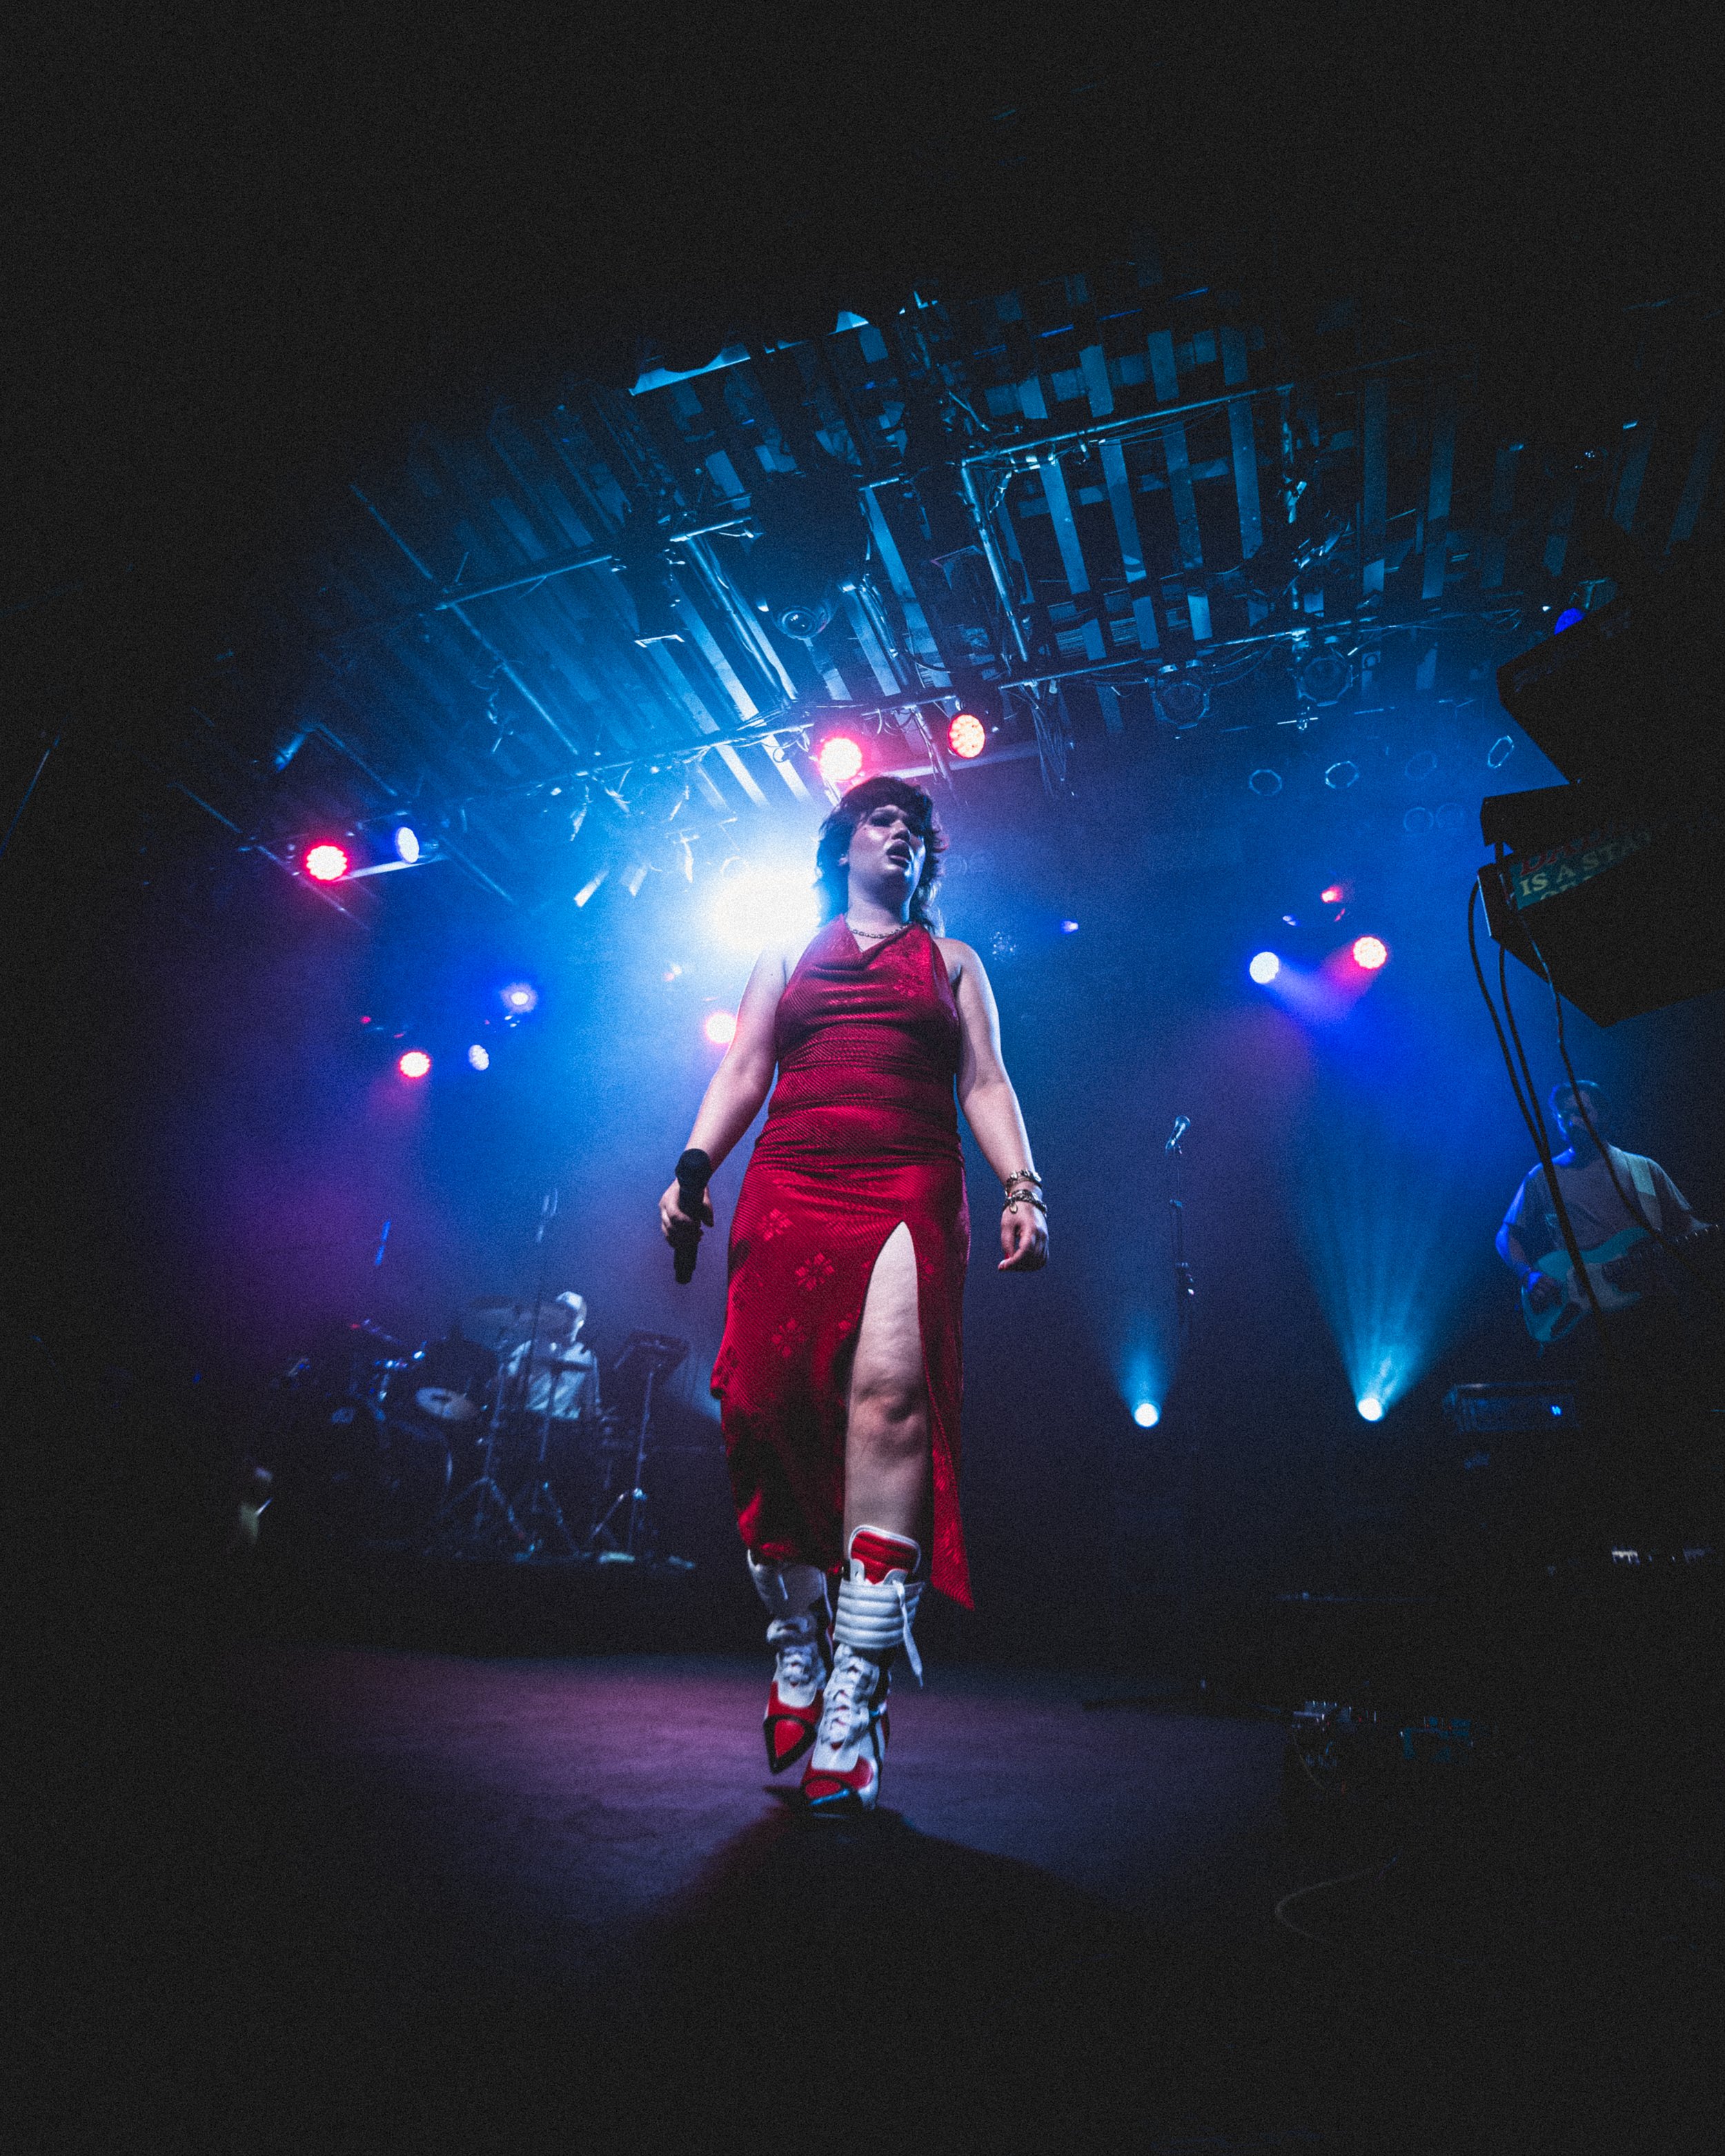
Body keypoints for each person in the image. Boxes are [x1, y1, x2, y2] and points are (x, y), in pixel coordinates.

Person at [658, 776, 1046, 1812]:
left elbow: (986, 1084)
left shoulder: (954, 963)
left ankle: (858, 1687)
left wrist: (1022, 1185)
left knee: (888, 1398)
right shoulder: (786, 956)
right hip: (790, 1180)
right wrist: (693, 1167)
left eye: (919, 831)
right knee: (758, 1401)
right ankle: (795, 1636)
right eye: (885, 821)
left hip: (908, 1180)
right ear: (841, 845)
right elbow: (744, 1066)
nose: (904, 839)